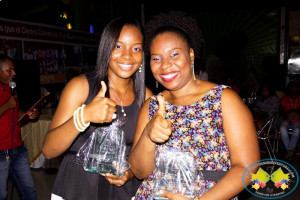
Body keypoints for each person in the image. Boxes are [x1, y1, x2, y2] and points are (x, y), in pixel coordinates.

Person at [128, 10, 260, 200]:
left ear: (191, 54)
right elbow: (140, 172)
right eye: (156, 58)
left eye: (174, 54)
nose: (165, 65)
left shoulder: (223, 99)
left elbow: (247, 167)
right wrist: (148, 135)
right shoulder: (151, 106)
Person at [41, 17, 153, 200]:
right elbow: (48, 150)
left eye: (136, 48)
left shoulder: (146, 96)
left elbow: (140, 153)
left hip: (124, 190)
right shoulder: (81, 87)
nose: (127, 55)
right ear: (106, 48)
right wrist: (84, 116)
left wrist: (130, 173)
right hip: (78, 187)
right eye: (118, 46)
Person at [0, 54, 39, 200]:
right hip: (0, 152)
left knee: (28, 190)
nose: (14, 74)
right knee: (1, 194)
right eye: (9, 70)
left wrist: (28, 114)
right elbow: (7, 108)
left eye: (14, 70)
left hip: (18, 148)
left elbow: (16, 112)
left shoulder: (11, 89)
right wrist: (6, 106)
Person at [279, 81, 300, 159]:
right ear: (289, 89)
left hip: (297, 118)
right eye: (292, 88)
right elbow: (280, 110)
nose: (294, 90)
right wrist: (286, 115)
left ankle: (290, 151)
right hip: (286, 117)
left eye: (295, 88)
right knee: (282, 128)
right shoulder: (285, 98)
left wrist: (296, 112)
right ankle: (290, 150)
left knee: (297, 129)